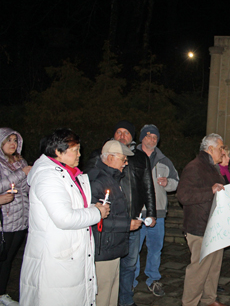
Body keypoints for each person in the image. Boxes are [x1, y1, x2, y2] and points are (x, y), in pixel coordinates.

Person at [19, 128, 110, 306]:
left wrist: (92, 207)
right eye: (75, 150)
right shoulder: (48, 176)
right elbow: (64, 217)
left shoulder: (68, 173)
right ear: (58, 152)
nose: (79, 154)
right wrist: (97, 213)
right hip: (55, 261)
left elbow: (72, 206)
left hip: (68, 254)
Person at [177, 133, 227, 306]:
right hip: (199, 227)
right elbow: (183, 195)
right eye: (221, 148)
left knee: (213, 267)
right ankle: (189, 302)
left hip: (214, 226)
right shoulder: (195, 167)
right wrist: (210, 191)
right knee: (198, 270)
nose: (223, 151)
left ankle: (209, 299)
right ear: (210, 148)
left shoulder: (212, 167)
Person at [110, 121, 156, 306]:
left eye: (126, 133)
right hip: (110, 223)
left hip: (134, 221)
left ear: (132, 137)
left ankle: (126, 301)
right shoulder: (102, 154)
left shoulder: (139, 157)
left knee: (129, 265)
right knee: (110, 267)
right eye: (118, 132)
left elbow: (148, 186)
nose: (122, 136)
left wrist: (151, 213)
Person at [88, 140, 136, 306]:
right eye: (123, 159)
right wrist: (127, 225)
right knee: (103, 293)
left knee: (112, 294)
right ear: (109, 158)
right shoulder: (98, 181)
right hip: (104, 248)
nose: (126, 163)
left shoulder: (112, 178)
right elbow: (95, 220)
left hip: (113, 246)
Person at [134, 125, 179, 297]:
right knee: (133, 250)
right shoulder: (132, 157)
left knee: (155, 248)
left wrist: (167, 183)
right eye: (148, 136)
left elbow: (176, 181)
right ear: (142, 138)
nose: (152, 139)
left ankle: (153, 279)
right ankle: (131, 280)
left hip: (158, 213)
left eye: (155, 137)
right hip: (137, 213)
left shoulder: (164, 160)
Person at [0, 128, 31, 306]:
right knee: (2, 258)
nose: (13, 143)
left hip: (20, 219)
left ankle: (2, 293)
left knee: (9, 259)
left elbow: (25, 188)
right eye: (8, 140)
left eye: (14, 140)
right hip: (4, 220)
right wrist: (22, 174)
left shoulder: (21, 162)